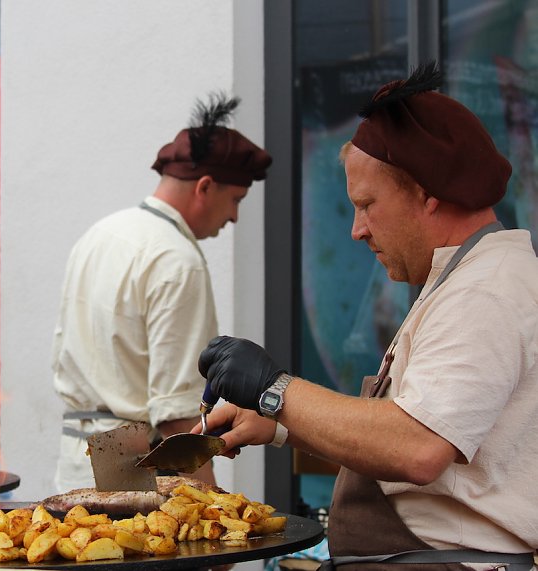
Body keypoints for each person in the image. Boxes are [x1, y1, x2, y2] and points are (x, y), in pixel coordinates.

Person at [197, 63, 538, 569]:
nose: (356, 230)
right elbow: (415, 437)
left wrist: (275, 390)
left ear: (426, 193)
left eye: (367, 204)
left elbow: (418, 447)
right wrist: (277, 423)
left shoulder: (484, 291)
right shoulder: (461, 279)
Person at [52, 93, 273, 492]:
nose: (234, 217)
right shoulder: (177, 259)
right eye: (235, 200)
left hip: (74, 467)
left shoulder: (98, 235)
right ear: (205, 187)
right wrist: (211, 503)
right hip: (132, 475)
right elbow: (177, 413)